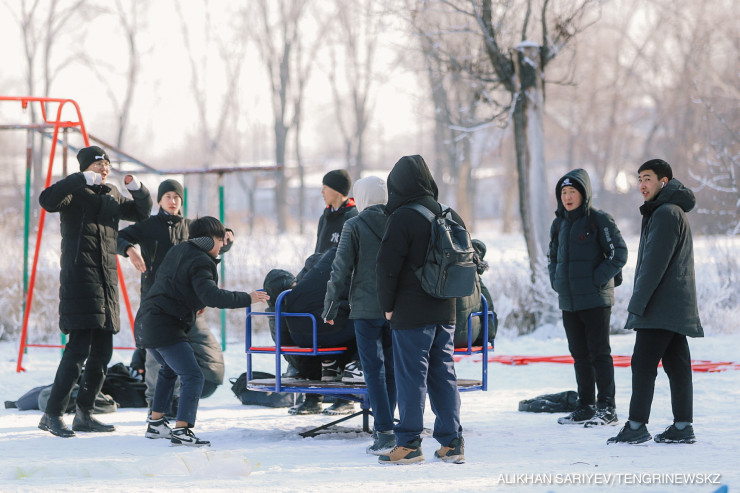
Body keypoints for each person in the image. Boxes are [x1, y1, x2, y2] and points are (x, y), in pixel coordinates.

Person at [37, 145, 152, 438]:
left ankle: (84, 415)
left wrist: (136, 189)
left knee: (102, 351)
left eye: (107, 164)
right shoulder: (73, 192)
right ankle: (52, 414)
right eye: (98, 164)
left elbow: (141, 213)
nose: (104, 168)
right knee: (78, 349)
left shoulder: (112, 194)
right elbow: (47, 200)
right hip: (80, 279)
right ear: (86, 168)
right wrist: (80, 179)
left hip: (106, 280)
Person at [135, 216, 269, 447]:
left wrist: (195, 302)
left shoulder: (180, 250)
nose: (222, 245)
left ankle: (156, 424)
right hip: (164, 325)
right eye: (219, 240)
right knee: (193, 376)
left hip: (146, 321)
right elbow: (212, 295)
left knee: (169, 369)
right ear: (207, 241)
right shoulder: (200, 261)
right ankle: (182, 430)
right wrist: (248, 298)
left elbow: (179, 285)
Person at [376, 155, 465, 465]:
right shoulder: (448, 214)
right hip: (446, 309)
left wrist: (387, 307)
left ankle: (409, 444)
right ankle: (452, 443)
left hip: (412, 313)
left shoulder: (402, 217)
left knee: (411, 377)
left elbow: (386, 267)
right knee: (443, 373)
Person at [608, 159, 703, 445]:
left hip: (660, 305)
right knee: (677, 365)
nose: (642, 184)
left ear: (664, 181)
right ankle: (683, 426)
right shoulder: (669, 211)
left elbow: (653, 265)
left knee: (643, 363)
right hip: (673, 304)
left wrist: (637, 304)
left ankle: (636, 426)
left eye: (647, 178)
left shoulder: (665, 213)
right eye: (639, 179)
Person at [118, 179, 227, 413]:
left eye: (176, 197)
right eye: (167, 196)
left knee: (183, 354)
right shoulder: (149, 226)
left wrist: (228, 236)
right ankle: (155, 405)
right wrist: (130, 250)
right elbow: (117, 237)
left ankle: (177, 401)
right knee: (156, 357)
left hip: (187, 304)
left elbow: (216, 242)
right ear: (159, 200)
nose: (173, 201)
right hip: (156, 302)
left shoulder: (190, 227)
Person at [547, 169, 628, 428]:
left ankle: (607, 408)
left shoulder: (598, 220)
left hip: (595, 300)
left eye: (572, 192)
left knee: (599, 354)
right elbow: (552, 257)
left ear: (584, 194)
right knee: (579, 355)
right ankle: (585, 406)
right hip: (569, 301)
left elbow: (619, 253)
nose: (568, 197)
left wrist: (597, 279)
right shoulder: (559, 224)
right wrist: (557, 281)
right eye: (564, 192)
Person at [322, 176, 397, 455]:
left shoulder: (353, 225)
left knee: (374, 372)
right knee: (392, 370)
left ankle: (384, 431)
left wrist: (331, 306)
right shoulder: (398, 222)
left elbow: (340, 269)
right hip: (397, 309)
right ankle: (388, 427)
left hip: (365, 311)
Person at [281, 248, 358, 416]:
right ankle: (347, 390)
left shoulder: (319, 264)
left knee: (328, 325)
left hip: (296, 331)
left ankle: (320, 387)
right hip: (322, 329)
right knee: (365, 322)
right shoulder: (354, 261)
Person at [454, 238, 497, 348]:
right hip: (470, 338)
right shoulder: (477, 281)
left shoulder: (451, 273)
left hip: (447, 335)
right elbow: (489, 308)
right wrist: (488, 337)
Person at [315, 169, 357, 254]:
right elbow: (317, 252)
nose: (322, 192)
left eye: (325, 187)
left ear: (337, 190)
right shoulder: (324, 217)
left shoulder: (352, 217)